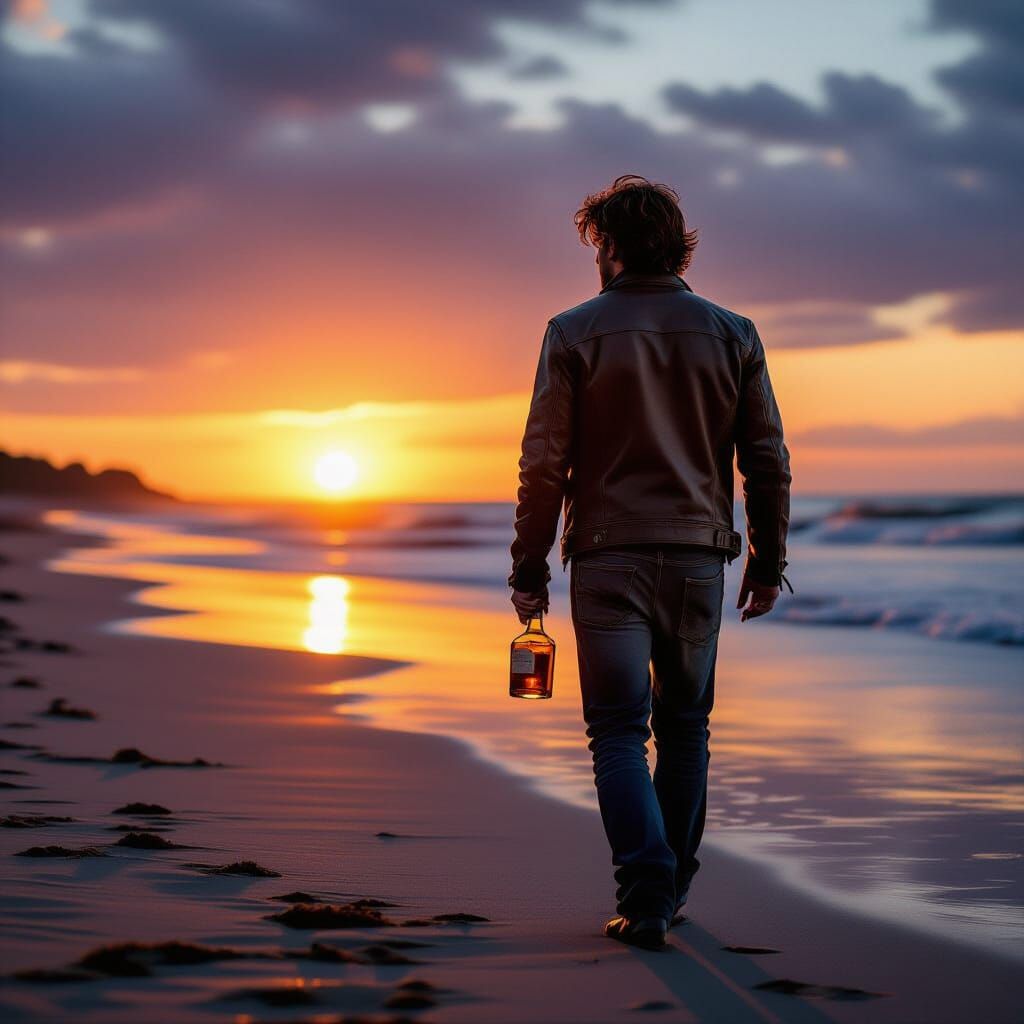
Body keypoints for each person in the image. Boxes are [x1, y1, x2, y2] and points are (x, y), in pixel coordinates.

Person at [507, 174, 792, 950]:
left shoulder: (573, 331)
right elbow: (765, 459)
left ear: (608, 249)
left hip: (607, 557)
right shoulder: (733, 332)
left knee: (617, 732)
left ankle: (646, 896)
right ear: (677, 245)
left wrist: (527, 569)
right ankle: (671, 890)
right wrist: (768, 562)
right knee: (686, 728)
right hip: (701, 559)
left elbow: (544, 464)